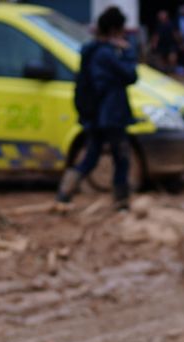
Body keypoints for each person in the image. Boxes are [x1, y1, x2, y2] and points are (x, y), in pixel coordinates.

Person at [57, 5, 138, 211]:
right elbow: (130, 75)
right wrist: (128, 52)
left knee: (92, 156)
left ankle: (65, 192)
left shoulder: (91, 51)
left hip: (95, 115)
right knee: (122, 157)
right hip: (111, 115)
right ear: (114, 30)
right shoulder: (107, 54)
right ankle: (122, 202)